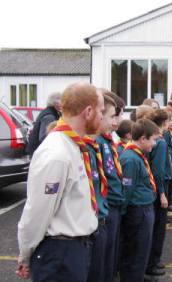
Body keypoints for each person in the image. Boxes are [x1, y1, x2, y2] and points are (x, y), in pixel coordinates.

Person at [17, 83, 103, 281]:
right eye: (100, 110)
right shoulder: (57, 153)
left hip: (75, 250)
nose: (101, 116)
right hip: (59, 254)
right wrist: (25, 253)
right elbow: (37, 211)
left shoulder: (74, 146)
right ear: (88, 112)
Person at [119, 119, 159, 282]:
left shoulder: (138, 155)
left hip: (144, 209)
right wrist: (125, 214)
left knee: (142, 250)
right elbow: (127, 191)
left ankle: (137, 276)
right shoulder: (130, 159)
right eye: (153, 140)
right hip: (138, 211)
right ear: (143, 138)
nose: (154, 144)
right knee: (136, 251)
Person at [85, 94, 117, 282]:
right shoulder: (86, 147)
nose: (116, 122)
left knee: (104, 269)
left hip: (103, 215)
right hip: (92, 223)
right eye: (112, 116)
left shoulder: (97, 145)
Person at [95, 89, 126, 282]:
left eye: (118, 116)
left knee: (109, 259)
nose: (116, 122)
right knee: (102, 264)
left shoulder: (107, 141)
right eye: (113, 116)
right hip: (106, 208)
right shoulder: (98, 142)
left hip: (114, 205)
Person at [145, 109, 170, 277]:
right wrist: (161, 193)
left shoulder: (156, 140)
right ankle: (153, 262)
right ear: (164, 123)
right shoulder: (160, 143)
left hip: (154, 187)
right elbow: (158, 170)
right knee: (158, 228)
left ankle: (151, 261)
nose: (171, 124)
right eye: (169, 121)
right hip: (159, 187)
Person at [26, 92, 62, 156]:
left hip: (38, 151)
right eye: (62, 101)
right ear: (55, 103)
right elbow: (44, 137)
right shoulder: (49, 116)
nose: (63, 104)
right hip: (38, 153)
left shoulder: (51, 112)